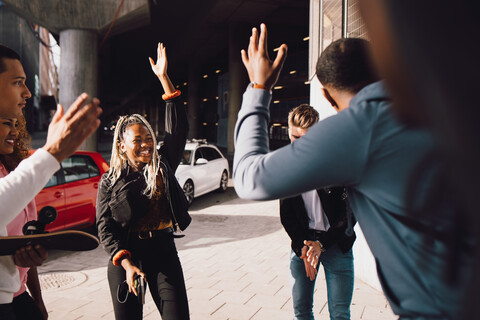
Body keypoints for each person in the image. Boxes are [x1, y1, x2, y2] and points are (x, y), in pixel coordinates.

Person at [233, 24, 467, 319]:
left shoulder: (356, 130)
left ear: (328, 97)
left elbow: (247, 178)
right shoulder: (440, 108)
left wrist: (259, 89)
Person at [0, 44, 102, 319]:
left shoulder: (9, 167)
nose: (28, 93)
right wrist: (53, 152)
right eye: (17, 82)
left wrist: (21, 260)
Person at [96, 43, 191, 320]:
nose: (146, 144)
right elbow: (105, 227)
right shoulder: (110, 180)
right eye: (137, 140)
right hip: (127, 255)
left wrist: (164, 78)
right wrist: (125, 262)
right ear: (122, 146)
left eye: (148, 137)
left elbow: (178, 129)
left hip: (163, 251)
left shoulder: (163, 165)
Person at [280, 103, 356, 320]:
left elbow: (350, 214)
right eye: (295, 137)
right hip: (304, 245)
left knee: (340, 314)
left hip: (337, 245)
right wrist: (303, 247)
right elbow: (287, 216)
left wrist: (322, 245)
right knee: (301, 312)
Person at [1, 115, 48, 320]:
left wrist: (38, 299)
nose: (15, 131)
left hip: (20, 295)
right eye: (6, 123)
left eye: (16, 124)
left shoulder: (16, 171)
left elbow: (27, 241)